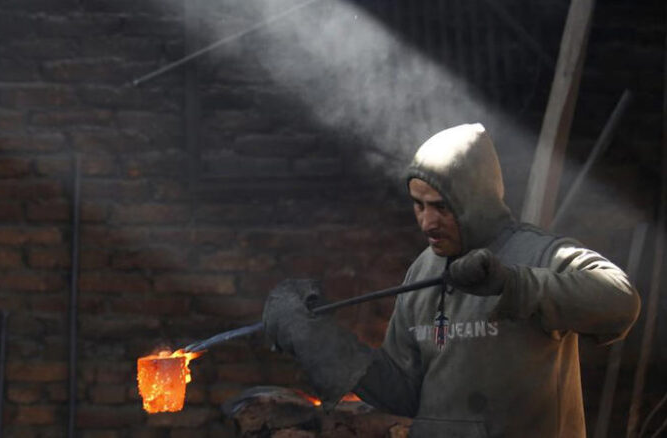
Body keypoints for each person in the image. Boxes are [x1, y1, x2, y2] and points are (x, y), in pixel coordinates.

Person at [263, 123, 641, 438]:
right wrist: (320, 342)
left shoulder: (538, 253)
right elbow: (403, 393)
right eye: (419, 205)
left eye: (441, 207)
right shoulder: (423, 270)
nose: (427, 222)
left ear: (476, 200)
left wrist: (511, 284)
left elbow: (621, 302)